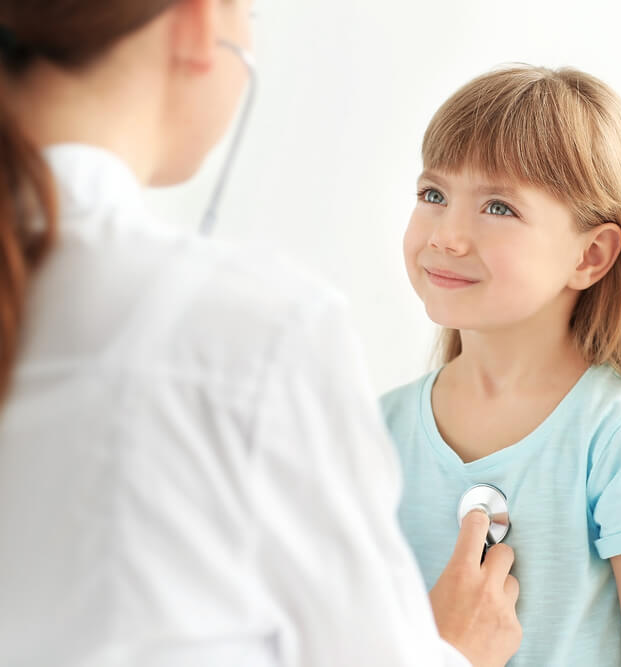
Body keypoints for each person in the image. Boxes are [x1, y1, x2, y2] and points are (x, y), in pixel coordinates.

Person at [0, 2, 520, 665]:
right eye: (249, 11)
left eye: (499, 206)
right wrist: (454, 649)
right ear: (195, 24)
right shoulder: (255, 337)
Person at [381, 65, 621, 666]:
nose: (446, 235)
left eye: (498, 207)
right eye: (433, 195)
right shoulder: (377, 433)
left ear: (591, 254)